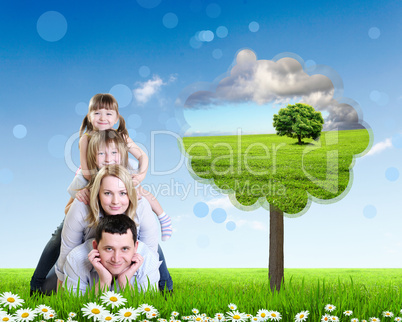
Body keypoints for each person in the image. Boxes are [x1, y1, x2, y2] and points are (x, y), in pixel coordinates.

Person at [30, 132, 172, 295]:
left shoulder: (139, 201)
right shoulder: (83, 194)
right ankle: (36, 284)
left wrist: (136, 280)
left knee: (151, 249)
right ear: (97, 193)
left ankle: (166, 286)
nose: (116, 201)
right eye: (107, 193)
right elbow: (67, 253)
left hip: (127, 255)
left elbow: (150, 256)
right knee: (52, 283)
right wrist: (63, 290)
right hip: (89, 259)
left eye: (122, 193)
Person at [79, 93, 172, 240]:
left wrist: (140, 175)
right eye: (97, 113)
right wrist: (100, 185)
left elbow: (142, 155)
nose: (103, 118)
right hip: (93, 179)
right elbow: (86, 172)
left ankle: (163, 217)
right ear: (89, 116)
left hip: (119, 176)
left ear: (116, 118)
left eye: (108, 113)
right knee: (80, 206)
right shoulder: (87, 138)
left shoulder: (121, 137)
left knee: (140, 192)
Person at [64, 215, 160, 294]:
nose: (116, 259)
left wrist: (125, 282)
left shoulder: (149, 260)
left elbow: (145, 308)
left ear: (135, 247)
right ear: (96, 246)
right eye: (109, 249)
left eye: (125, 249)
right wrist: (103, 282)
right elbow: (77, 308)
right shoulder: (76, 258)